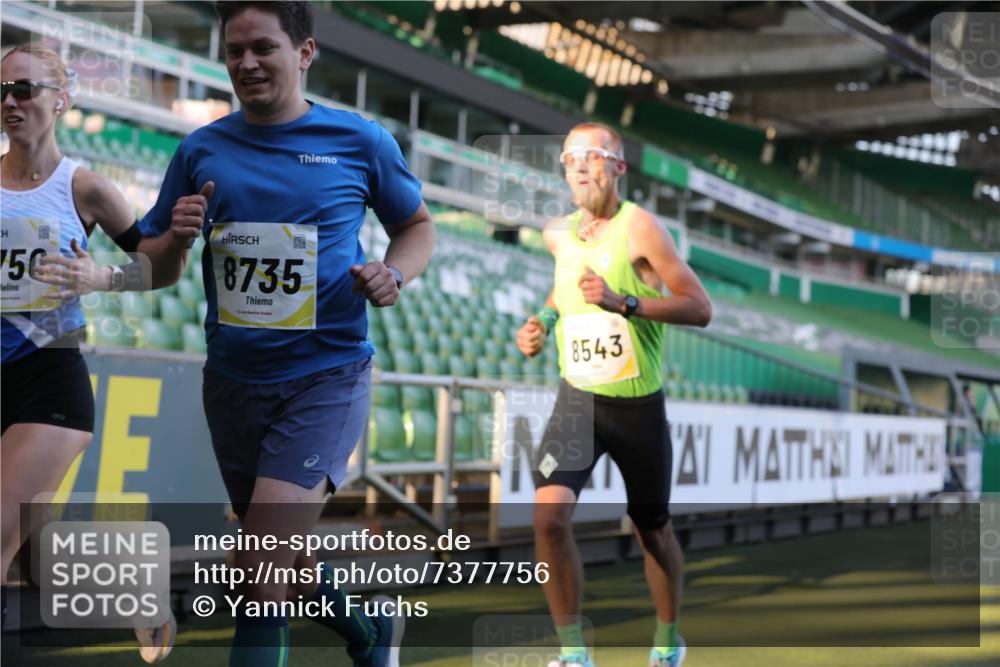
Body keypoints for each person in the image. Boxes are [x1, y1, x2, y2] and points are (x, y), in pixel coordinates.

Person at [135, 3, 434, 666]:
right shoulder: (200, 148)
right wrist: (176, 240)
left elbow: (417, 226)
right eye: (234, 49)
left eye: (263, 47)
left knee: (257, 565)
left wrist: (395, 274)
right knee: (281, 557)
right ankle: (370, 629)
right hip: (234, 386)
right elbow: (155, 271)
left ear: (305, 52)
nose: (246, 63)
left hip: (326, 379)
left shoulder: (360, 141)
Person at [0, 42, 176, 661]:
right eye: (2, 92)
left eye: (24, 89)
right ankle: (134, 595)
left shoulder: (88, 188)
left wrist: (103, 277)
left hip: (49, 380)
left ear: (60, 100)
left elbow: (156, 268)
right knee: (36, 564)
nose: (11, 102)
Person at [516, 122, 712, 667]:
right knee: (549, 519)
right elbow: (563, 288)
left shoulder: (641, 229)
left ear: (618, 168)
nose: (579, 165)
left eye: (592, 155)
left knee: (652, 531)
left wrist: (625, 302)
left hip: (637, 408)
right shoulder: (561, 234)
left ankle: (668, 640)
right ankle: (574, 655)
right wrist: (542, 320)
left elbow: (699, 307)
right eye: (570, 157)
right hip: (577, 400)